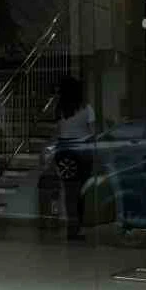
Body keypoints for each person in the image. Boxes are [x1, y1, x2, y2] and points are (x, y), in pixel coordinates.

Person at [55, 76, 95, 241]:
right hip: (82, 151)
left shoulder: (59, 109)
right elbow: (93, 132)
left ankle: (72, 228)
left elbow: (58, 131)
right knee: (81, 192)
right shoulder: (86, 108)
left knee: (69, 192)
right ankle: (78, 228)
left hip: (64, 152)